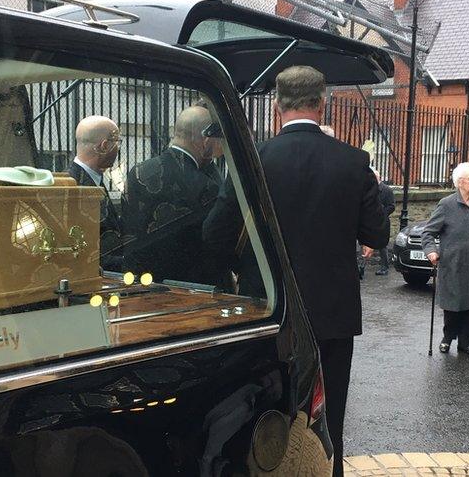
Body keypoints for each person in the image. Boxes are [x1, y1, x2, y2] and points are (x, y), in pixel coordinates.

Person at [203, 66, 388, 477]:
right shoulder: (353, 161)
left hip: (267, 307)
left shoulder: (254, 159)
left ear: (276, 107)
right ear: (322, 104)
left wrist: (249, 265)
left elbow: (215, 232)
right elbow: (377, 232)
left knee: (262, 416)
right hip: (332, 312)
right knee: (329, 418)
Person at [124, 105, 225, 286]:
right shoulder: (207, 185)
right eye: (218, 138)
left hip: (143, 280)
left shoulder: (138, 171)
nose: (221, 144)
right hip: (194, 287)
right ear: (205, 139)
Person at [422, 162, 469, 356]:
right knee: (453, 305)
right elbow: (428, 233)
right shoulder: (447, 204)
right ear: (460, 182)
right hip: (453, 264)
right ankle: (448, 337)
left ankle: (465, 343)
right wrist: (431, 251)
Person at [69, 115, 123, 271]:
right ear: (104, 146)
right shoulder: (74, 187)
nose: (118, 148)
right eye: (117, 142)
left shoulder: (91, 178)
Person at [374, 168, 395, 276]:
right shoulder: (369, 190)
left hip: (382, 221)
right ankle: (361, 267)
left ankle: (384, 267)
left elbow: (392, 206)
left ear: (379, 178)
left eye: (374, 177)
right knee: (365, 243)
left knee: (382, 245)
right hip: (370, 221)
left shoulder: (387, 190)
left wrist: (382, 214)